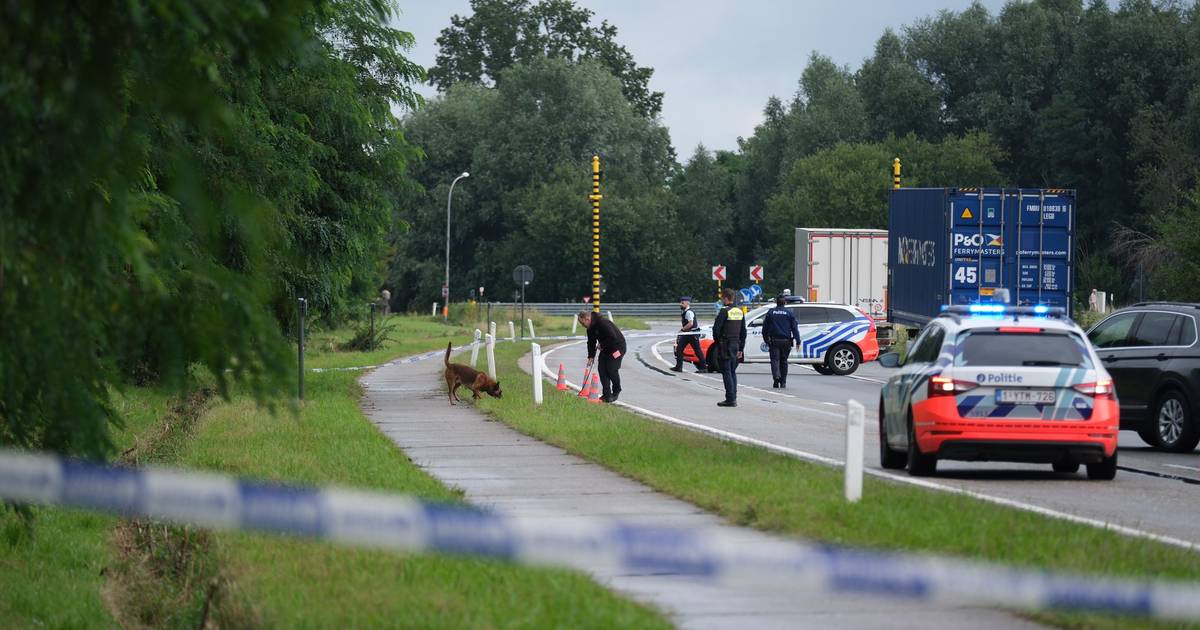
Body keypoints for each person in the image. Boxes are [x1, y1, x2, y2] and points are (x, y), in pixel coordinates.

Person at [578, 310, 626, 403]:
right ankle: (607, 395)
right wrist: (591, 356)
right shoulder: (590, 328)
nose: (582, 325)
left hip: (618, 348)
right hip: (606, 348)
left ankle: (616, 390)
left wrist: (602, 345)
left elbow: (613, 337)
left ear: (587, 319)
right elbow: (591, 342)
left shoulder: (603, 323)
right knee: (602, 370)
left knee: (611, 369)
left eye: (583, 323)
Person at [711, 288, 746, 407]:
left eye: (722, 298)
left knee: (726, 371)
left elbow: (716, 330)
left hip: (725, 344)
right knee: (732, 371)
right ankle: (733, 396)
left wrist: (718, 342)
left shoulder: (724, 311)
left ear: (726, 298)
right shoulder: (740, 311)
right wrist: (741, 348)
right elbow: (743, 332)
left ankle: (730, 399)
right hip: (736, 344)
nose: (721, 300)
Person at [762, 293, 802, 388]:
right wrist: (798, 341)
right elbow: (794, 328)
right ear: (785, 302)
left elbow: (765, 328)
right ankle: (783, 382)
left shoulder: (771, 312)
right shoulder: (789, 313)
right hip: (786, 341)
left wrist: (766, 340)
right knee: (784, 361)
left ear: (776, 302)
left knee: (775, 360)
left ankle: (776, 377)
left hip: (774, 341)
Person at [672, 296, 705, 373]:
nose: (680, 304)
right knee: (679, 349)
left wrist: (682, 330)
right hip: (688, 334)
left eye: (682, 303)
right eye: (680, 302)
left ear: (687, 303)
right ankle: (678, 367)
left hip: (692, 334)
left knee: (697, 351)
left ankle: (703, 367)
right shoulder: (685, 312)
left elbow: (690, 323)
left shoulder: (689, 312)